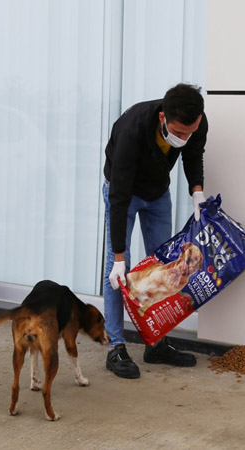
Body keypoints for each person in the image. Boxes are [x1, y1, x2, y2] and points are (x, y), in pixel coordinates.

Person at [102, 83, 207, 379]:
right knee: (116, 271)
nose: (186, 137)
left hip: (158, 193)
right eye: (180, 132)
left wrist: (196, 192)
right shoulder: (133, 127)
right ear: (163, 117)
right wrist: (121, 256)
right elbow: (119, 196)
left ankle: (156, 343)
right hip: (124, 192)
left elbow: (193, 155)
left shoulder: (196, 120)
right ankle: (116, 346)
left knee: (164, 268)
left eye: (191, 131)